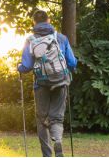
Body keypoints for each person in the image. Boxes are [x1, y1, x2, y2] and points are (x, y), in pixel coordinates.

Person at [18, 10, 77, 157]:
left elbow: (26, 66)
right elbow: (71, 62)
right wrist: (71, 69)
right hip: (61, 82)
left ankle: (47, 154)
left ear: (34, 22)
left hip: (41, 84)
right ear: (48, 20)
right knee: (56, 117)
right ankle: (57, 140)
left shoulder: (30, 40)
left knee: (42, 119)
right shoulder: (61, 38)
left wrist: (18, 67)